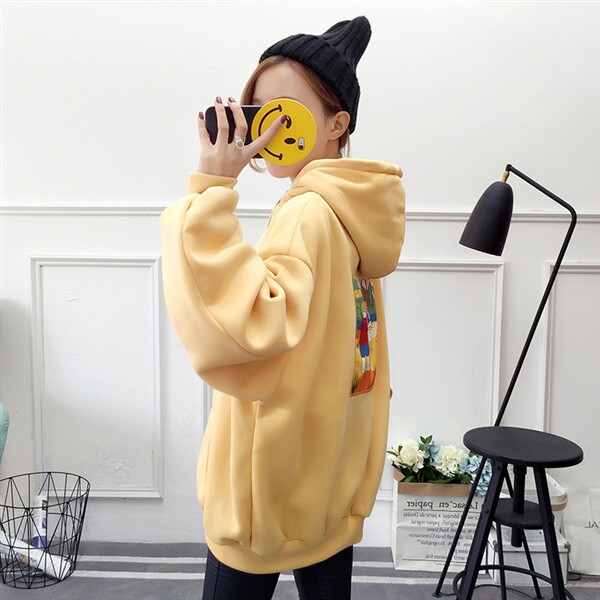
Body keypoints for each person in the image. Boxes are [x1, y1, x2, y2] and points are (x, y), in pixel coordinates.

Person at [160, 16, 405, 600]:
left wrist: (211, 190)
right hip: (328, 473)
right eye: (259, 111)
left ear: (336, 125)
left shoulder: (306, 211)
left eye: (286, 114)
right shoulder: (353, 210)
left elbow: (250, 326)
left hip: (268, 488)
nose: (268, 131)